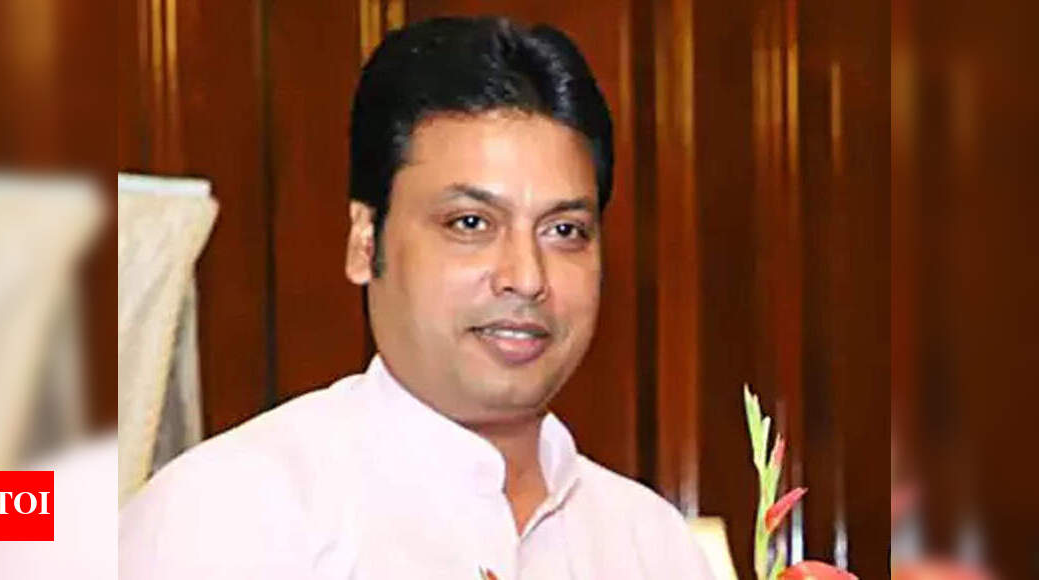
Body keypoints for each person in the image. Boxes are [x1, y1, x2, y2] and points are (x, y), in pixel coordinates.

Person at [119, 16, 713, 579]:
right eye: (470, 223)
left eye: (564, 230)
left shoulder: (650, 545)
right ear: (364, 242)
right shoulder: (229, 517)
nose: (527, 277)